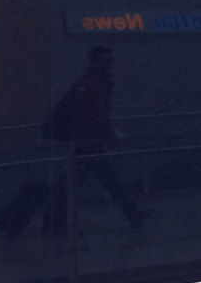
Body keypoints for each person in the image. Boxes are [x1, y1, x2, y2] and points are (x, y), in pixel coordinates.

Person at [49, 46, 146, 230]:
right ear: (96, 62)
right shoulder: (95, 84)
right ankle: (56, 220)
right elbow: (96, 115)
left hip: (86, 138)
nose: (109, 66)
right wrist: (111, 135)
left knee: (98, 178)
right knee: (88, 180)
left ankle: (131, 213)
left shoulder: (88, 83)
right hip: (89, 140)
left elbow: (96, 114)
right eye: (106, 62)